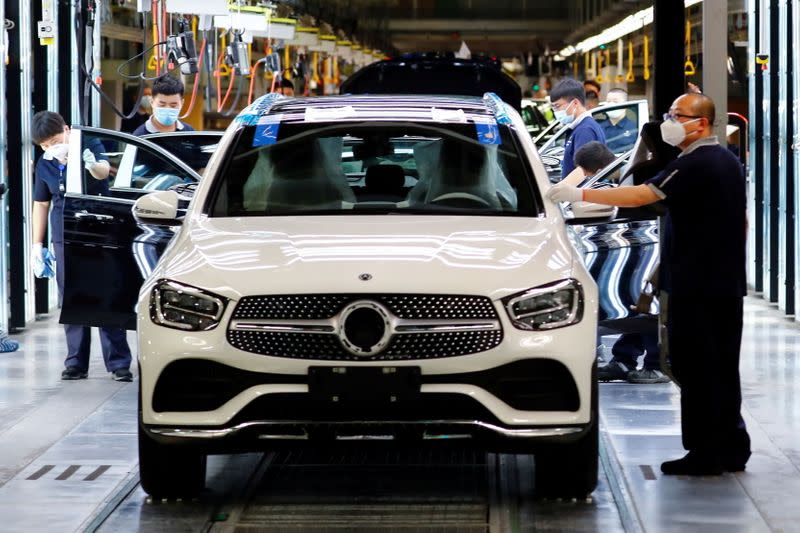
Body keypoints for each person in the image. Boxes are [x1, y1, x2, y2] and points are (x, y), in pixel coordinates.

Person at [547, 93, 751, 476]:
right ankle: (732, 447)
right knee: (722, 366)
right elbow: (739, 222)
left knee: (696, 367)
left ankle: (705, 453)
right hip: (723, 283)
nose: (669, 121)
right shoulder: (726, 160)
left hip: (698, 286)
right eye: (669, 114)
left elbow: (644, 194)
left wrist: (580, 193)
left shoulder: (697, 162)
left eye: (677, 115)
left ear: (701, 124)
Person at [31, 111, 133, 382]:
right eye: (44, 145)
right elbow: (41, 203)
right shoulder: (45, 163)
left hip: (98, 228)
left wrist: (87, 163)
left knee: (105, 291)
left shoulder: (88, 144)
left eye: (54, 140)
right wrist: (36, 245)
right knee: (70, 295)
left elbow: (103, 173)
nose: (51, 147)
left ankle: (118, 362)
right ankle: (76, 361)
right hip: (64, 233)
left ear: (66, 129)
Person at [550, 78, 606, 179]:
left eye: (557, 106)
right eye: (553, 107)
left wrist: (558, 190)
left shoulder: (585, 130)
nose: (555, 112)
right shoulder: (580, 127)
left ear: (575, 103)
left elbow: (583, 172)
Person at [598, 88, 637, 153]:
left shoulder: (635, 128)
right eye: (608, 101)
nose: (611, 104)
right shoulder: (598, 127)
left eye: (615, 101)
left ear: (626, 105)